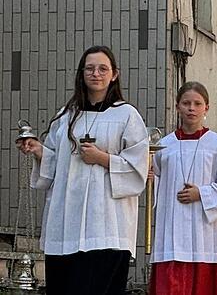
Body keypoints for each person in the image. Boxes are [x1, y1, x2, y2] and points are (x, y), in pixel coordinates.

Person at [17, 46, 148, 295]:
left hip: (107, 226)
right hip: (67, 222)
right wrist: (39, 151)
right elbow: (56, 165)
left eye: (102, 68)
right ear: (81, 73)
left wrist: (102, 158)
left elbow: (138, 167)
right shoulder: (66, 116)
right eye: (89, 68)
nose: (95, 73)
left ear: (114, 74)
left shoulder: (126, 115)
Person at [151, 82, 217, 295]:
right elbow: (155, 181)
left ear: (206, 108)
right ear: (178, 106)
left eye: (197, 103)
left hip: (205, 231)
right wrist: (148, 176)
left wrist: (202, 193)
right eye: (186, 103)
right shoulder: (164, 146)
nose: (192, 108)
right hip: (173, 226)